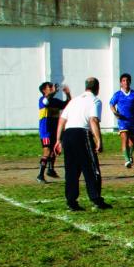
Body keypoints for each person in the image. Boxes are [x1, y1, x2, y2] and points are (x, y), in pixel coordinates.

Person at [55, 77, 111, 211]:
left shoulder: (74, 101)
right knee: (91, 168)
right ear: (97, 88)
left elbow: (62, 121)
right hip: (82, 134)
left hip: (67, 135)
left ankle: (71, 202)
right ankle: (96, 199)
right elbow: (93, 120)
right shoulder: (95, 100)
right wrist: (99, 140)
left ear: (86, 87)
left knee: (71, 170)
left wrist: (58, 140)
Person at [109, 73, 134, 169]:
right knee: (124, 139)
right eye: (123, 81)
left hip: (133, 121)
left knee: (132, 142)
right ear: (121, 83)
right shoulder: (117, 94)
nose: (126, 82)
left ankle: (130, 155)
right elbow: (111, 104)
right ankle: (126, 160)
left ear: (130, 82)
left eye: (127, 80)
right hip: (122, 121)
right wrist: (115, 113)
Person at [37, 82, 71, 182]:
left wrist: (68, 94)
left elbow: (67, 105)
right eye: (50, 87)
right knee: (47, 151)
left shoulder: (55, 101)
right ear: (44, 90)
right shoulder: (42, 100)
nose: (52, 88)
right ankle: (40, 175)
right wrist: (54, 92)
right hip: (46, 131)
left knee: (54, 150)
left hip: (55, 130)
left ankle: (50, 169)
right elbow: (46, 101)